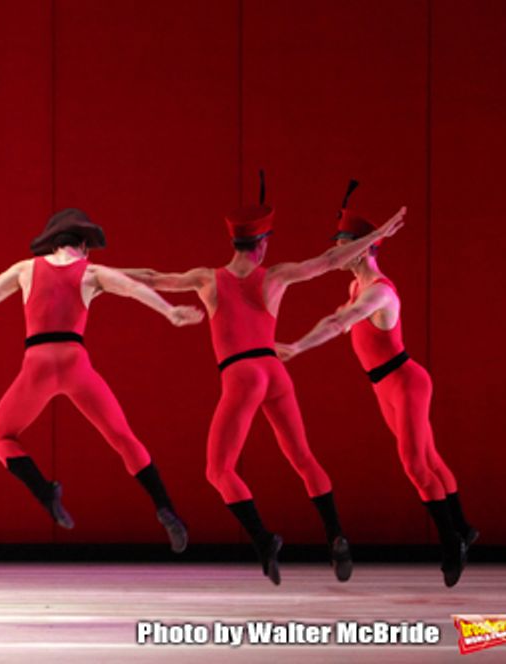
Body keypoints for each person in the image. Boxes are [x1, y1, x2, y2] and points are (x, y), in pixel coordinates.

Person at [126, 172, 404, 584]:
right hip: (276, 372)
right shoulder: (276, 276)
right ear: (264, 243)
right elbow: (331, 261)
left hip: (241, 374)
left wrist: (92, 273)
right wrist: (377, 234)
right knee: (304, 459)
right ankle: (336, 536)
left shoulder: (208, 278)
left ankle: (263, 539)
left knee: (219, 470)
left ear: (234, 242)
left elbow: (151, 277)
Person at [0, 208, 203, 553]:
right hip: (74, 362)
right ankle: (165, 508)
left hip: (37, 363)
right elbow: (132, 288)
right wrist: (169, 312)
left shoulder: (24, 269)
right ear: (82, 244)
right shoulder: (92, 273)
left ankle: (44, 491)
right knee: (123, 437)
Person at [275, 180, 477, 587]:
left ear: (365, 247)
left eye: (346, 245)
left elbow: (338, 323)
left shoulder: (380, 295)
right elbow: (338, 313)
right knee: (431, 458)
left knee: (416, 465)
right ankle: (464, 527)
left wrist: (297, 346)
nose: (339, 253)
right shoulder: (355, 287)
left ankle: (450, 542)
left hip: (406, 383)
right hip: (384, 387)